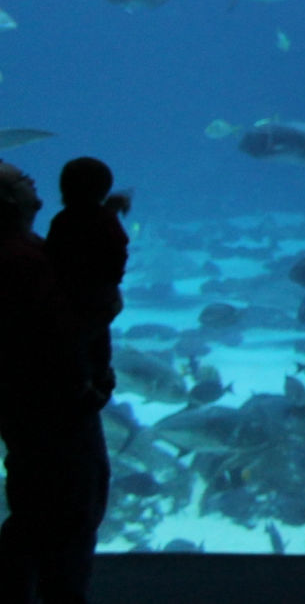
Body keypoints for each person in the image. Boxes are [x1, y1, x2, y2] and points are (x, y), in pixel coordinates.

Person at [0, 159, 111, 604]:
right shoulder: (17, 258)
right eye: (19, 178)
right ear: (7, 199)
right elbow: (56, 330)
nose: (31, 177)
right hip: (54, 408)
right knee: (68, 511)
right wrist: (83, 387)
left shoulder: (26, 247)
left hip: (38, 406)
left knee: (35, 510)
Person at [43, 156, 130, 404]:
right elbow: (113, 246)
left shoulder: (62, 220)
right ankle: (92, 386)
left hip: (70, 299)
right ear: (103, 191)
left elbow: (56, 253)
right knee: (95, 346)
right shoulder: (104, 221)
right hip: (98, 298)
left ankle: (85, 384)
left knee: (79, 346)